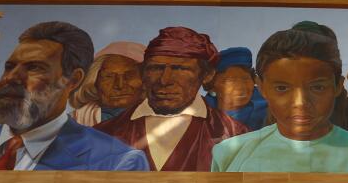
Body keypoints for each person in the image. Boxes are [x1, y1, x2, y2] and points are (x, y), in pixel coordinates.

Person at [0, 21, 148, 171]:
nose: (11, 78)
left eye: (35, 68)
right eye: (9, 67)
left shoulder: (116, 162)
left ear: (73, 80)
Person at [211, 22, 348, 174]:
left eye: (317, 87)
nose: (300, 102)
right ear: (262, 87)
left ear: (338, 86)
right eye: (282, 88)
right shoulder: (229, 154)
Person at [97, 26, 249, 171]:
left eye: (180, 69)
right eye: (156, 68)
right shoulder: (102, 134)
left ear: (207, 75)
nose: (165, 80)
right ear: (143, 72)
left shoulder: (236, 135)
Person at [70, 41, 146, 126]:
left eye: (130, 75)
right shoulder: (74, 123)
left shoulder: (159, 121)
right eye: (108, 76)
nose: (119, 85)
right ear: (94, 82)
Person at [204, 46, 268, 130]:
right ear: (212, 86)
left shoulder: (270, 112)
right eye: (231, 80)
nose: (241, 87)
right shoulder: (200, 115)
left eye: (245, 79)